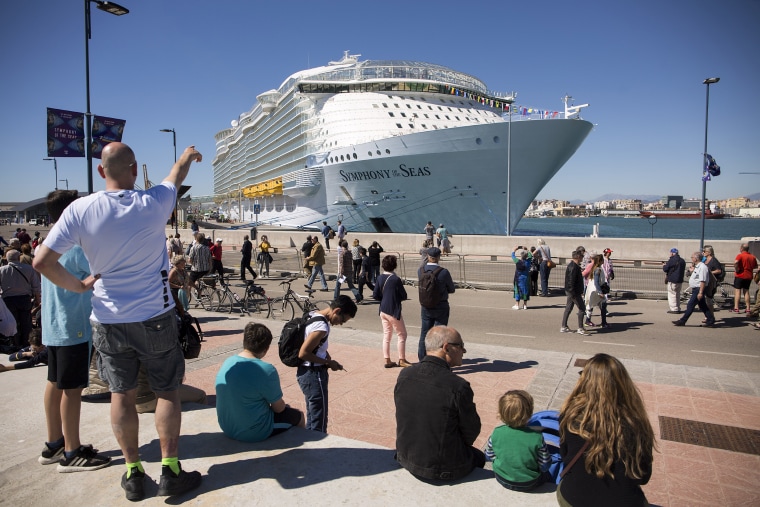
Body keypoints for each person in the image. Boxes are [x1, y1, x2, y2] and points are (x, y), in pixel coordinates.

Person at [33, 142, 203, 501]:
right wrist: (186, 156)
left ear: (100, 172)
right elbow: (175, 175)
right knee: (166, 392)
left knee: (121, 395)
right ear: (133, 169)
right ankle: (170, 471)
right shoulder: (152, 202)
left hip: (108, 319)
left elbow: (42, 262)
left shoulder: (80, 209)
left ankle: (133, 473)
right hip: (155, 316)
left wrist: (79, 286)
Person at [37, 189, 111, 471]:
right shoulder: (76, 245)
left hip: (54, 325)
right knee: (73, 390)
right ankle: (72, 452)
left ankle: (54, 444)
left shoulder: (48, 242)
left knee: (55, 382)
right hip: (74, 328)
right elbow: (103, 270)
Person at [557, 353, 654, 507]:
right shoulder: (636, 424)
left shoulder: (570, 415)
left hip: (573, 498)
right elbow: (642, 477)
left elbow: (565, 457)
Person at [394, 326, 485, 481]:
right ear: (446, 348)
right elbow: (471, 431)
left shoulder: (405, 374)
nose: (464, 351)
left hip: (406, 457)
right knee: (480, 458)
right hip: (441, 468)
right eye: (461, 346)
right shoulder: (458, 386)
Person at [215, 323, 304, 442]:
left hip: (226, 427)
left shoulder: (228, 362)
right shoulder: (266, 369)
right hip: (253, 431)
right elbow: (279, 409)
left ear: (245, 341)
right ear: (266, 348)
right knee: (299, 416)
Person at [296, 295, 356, 432]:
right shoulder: (321, 326)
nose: (340, 323)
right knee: (319, 419)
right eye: (342, 320)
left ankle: (310, 446)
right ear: (336, 311)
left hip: (306, 373)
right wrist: (327, 363)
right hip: (313, 374)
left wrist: (328, 359)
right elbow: (303, 353)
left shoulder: (314, 314)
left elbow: (317, 347)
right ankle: (317, 449)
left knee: (313, 415)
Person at [485, 390, 551, 491]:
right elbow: (545, 464)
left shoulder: (496, 432)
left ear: (501, 413)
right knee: (548, 476)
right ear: (529, 414)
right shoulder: (536, 437)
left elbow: (489, 456)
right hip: (528, 482)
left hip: (501, 478)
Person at [417, 247, 455, 361]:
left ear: (428, 256)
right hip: (441, 306)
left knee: (424, 333)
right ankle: (438, 359)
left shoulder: (421, 270)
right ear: (439, 257)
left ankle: (422, 358)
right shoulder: (443, 272)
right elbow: (451, 289)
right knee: (440, 334)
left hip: (426, 306)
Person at [373, 255, 411, 368]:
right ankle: (402, 359)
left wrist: (384, 298)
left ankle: (387, 359)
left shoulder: (379, 278)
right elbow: (404, 295)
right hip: (393, 310)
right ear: (394, 266)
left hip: (383, 309)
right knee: (402, 334)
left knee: (387, 335)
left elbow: (375, 295)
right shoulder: (395, 279)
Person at [0, 249, 41, 350]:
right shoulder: (28, 269)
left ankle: (15, 344)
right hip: (24, 298)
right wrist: (37, 299)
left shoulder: (2, 270)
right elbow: (36, 286)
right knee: (26, 322)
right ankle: (27, 344)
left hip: (8, 299)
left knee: (13, 323)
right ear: (19, 258)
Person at [673, 251, 715, 327]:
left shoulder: (702, 267)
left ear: (696, 259)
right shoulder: (697, 266)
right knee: (703, 306)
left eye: (692, 257)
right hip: (696, 289)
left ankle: (683, 320)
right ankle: (711, 319)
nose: (691, 259)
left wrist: (701, 292)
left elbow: (703, 281)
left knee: (690, 305)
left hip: (699, 289)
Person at [560, 250, 589, 335]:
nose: (582, 258)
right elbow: (571, 281)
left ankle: (564, 326)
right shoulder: (574, 267)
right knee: (582, 308)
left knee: (568, 308)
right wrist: (573, 292)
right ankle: (580, 328)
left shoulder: (573, 266)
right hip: (573, 292)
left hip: (571, 291)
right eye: (582, 257)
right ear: (578, 257)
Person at [585, 254, 609, 328]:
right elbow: (596, 282)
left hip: (592, 289)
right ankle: (603, 322)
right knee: (602, 304)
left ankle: (588, 320)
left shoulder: (595, 268)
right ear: (601, 261)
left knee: (591, 305)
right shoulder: (598, 269)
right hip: (595, 290)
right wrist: (600, 292)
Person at [732, 243, 758, 313]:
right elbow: (755, 266)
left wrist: (737, 269)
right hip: (748, 276)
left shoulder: (740, 256)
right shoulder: (752, 257)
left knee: (737, 291)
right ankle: (748, 307)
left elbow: (736, 262)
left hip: (740, 275)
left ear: (741, 248)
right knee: (746, 291)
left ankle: (736, 307)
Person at [663, 248, 686, 314]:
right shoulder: (682, 261)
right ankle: (678, 307)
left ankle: (674, 309)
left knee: (672, 294)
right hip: (680, 279)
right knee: (677, 294)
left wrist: (664, 266)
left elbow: (665, 269)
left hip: (673, 279)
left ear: (672, 253)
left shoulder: (672, 260)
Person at [511, 246, 532, 310]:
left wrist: (515, 249)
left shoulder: (518, 261)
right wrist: (527, 249)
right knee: (525, 290)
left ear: (521, 256)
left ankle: (517, 304)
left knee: (517, 290)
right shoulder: (528, 262)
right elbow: (530, 256)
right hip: (525, 278)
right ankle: (525, 305)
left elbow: (513, 256)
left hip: (518, 278)